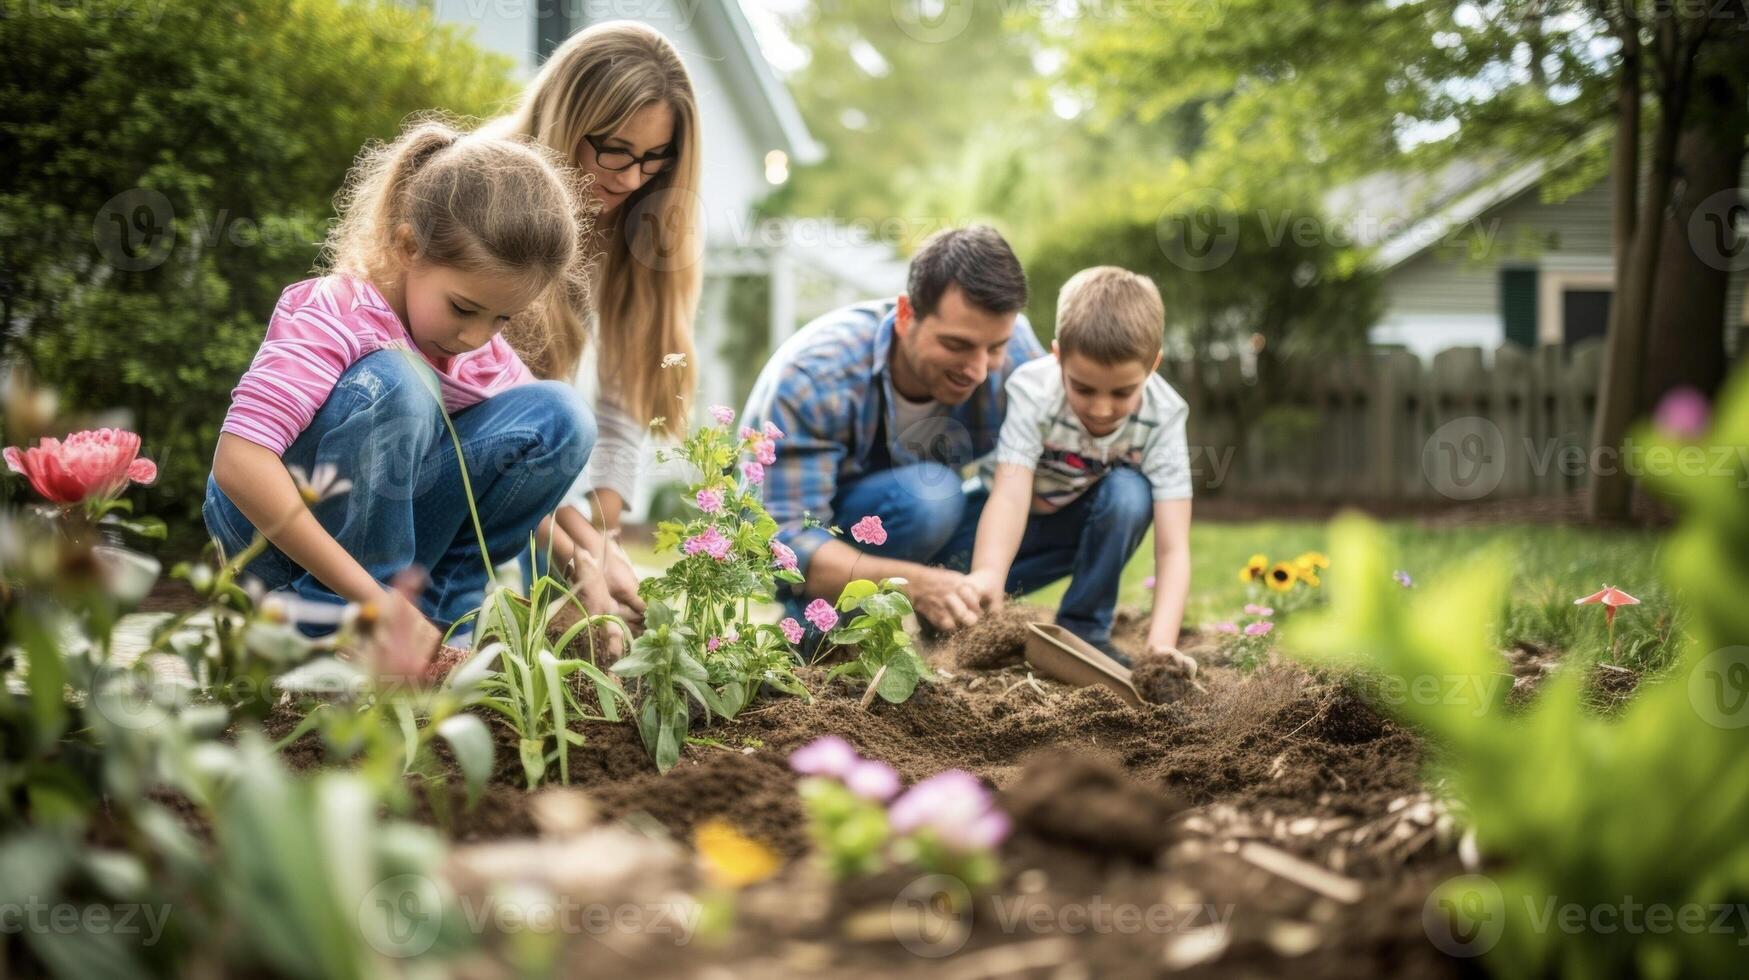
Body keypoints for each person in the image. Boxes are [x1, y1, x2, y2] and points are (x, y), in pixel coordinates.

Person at [203, 119, 594, 672]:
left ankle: (431, 630)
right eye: (463, 308)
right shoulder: (332, 311)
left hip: (380, 577)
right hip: (272, 547)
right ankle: (333, 631)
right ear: (409, 246)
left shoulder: (474, 349)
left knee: (563, 416)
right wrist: (369, 599)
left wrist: (592, 559)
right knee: (402, 381)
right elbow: (237, 464)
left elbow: (538, 453)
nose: (476, 338)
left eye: (501, 318)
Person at [484, 21, 704, 633]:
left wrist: (602, 539)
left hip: (536, 463)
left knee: (591, 611)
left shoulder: (636, 221)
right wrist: (581, 545)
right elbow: (475, 410)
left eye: (656, 159)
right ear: (566, 118)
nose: (633, 179)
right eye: (615, 150)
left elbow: (620, 404)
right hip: (454, 449)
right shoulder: (486, 196)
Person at [742, 225, 1051, 634]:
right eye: (957, 345)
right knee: (932, 494)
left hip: (942, 535)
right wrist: (913, 584)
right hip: (837, 546)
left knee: (1108, 495)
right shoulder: (815, 376)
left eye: (994, 347)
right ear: (906, 315)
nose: (978, 370)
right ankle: (824, 629)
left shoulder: (1019, 357)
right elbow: (783, 547)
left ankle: (963, 615)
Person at [966, 266, 1192, 660]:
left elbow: (1173, 548)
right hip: (996, 526)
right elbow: (1010, 497)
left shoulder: (1165, 414)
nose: (1102, 409)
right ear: (1057, 357)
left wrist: (1161, 648)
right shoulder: (1034, 390)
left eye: (1123, 392)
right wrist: (988, 579)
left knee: (1129, 493)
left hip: (1069, 530)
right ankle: (967, 609)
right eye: (1083, 388)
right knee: (959, 581)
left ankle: (1084, 630)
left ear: (1152, 366)